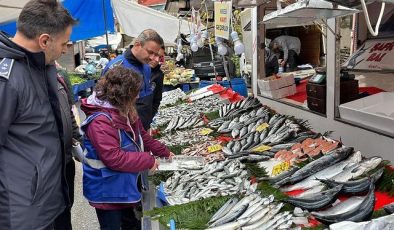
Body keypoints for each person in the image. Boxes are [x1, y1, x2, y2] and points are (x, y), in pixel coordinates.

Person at [0, 0, 77, 229]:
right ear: (44, 40)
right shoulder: (7, 79)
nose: (65, 50)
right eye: (64, 43)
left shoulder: (44, 66)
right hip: (24, 212)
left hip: (54, 199)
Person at [80, 66, 174, 230]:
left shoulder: (124, 109)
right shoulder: (100, 122)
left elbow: (141, 135)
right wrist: (148, 159)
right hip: (106, 191)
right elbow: (114, 158)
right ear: (123, 94)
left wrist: (163, 152)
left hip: (121, 185)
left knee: (130, 223)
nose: (138, 96)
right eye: (135, 92)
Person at [102, 29, 164, 131]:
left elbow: (151, 100)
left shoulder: (147, 67)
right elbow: (103, 107)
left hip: (142, 131)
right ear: (137, 44)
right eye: (150, 52)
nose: (153, 58)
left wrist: (147, 124)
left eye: (156, 54)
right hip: (123, 134)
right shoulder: (117, 67)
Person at [54, 63, 82, 230]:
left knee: (67, 204)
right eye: (63, 43)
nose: (65, 49)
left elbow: (69, 112)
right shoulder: (26, 78)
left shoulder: (59, 75)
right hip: (47, 164)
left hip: (66, 159)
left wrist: (77, 137)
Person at [149, 46, 166, 121]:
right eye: (155, 55)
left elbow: (157, 99)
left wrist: (149, 117)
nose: (157, 60)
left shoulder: (159, 75)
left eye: (159, 57)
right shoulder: (135, 69)